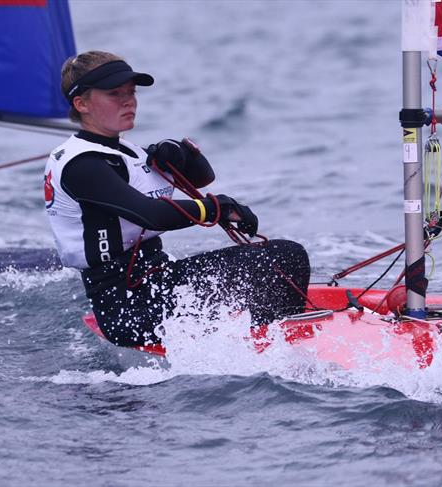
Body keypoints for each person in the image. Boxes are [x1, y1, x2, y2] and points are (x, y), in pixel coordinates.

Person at [44, 51, 310, 348]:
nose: (128, 100)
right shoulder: (81, 165)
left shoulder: (127, 151)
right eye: (114, 94)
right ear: (81, 104)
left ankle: (270, 339)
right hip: (127, 309)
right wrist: (217, 209)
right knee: (284, 258)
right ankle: (273, 348)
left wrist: (179, 154)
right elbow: (150, 215)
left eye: (131, 92)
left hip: (160, 281)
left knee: (283, 261)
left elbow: (201, 179)